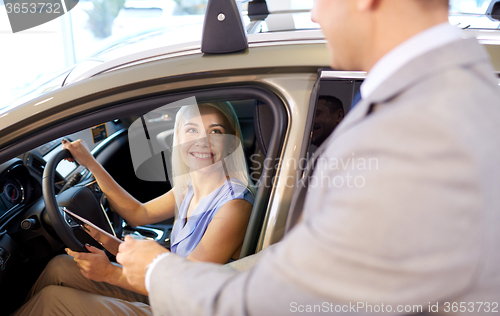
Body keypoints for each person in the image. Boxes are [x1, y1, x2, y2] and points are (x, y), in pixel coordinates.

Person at [117, 0, 500, 315]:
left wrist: (155, 269)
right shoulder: (446, 99)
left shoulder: (417, 131)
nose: (315, 14)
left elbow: (277, 305)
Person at [12, 102, 255, 315]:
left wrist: (110, 273)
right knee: (61, 266)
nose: (202, 141)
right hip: (168, 291)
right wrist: (110, 242)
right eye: (192, 130)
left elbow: (188, 283)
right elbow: (139, 214)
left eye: (216, 132)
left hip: (187, 305)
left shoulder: (234, 206)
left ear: (232, 143)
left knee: (53, 301)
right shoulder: (188, 188)